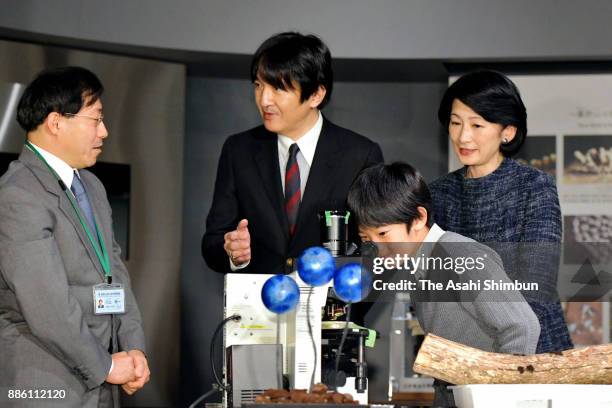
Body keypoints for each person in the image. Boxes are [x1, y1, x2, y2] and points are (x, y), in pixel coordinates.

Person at [0, 67, 150, 407]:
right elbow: (45, 304)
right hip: (44, 384)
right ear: (56, 122)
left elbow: (114, 270)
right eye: (95, 120)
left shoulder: (91, 186)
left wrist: (133, 346)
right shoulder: (18, 194)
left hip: (102, 381)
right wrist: (108, 365)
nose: (105, 131)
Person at [348, 162, 540, 406]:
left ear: (419, 218)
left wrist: (498, 396)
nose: (378, 249)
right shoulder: (419, 263)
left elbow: (522, 327)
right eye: (368, 239)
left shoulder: (460, 255)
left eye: (384, 234)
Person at [202, 32, 383, 275]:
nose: (264, 99)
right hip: (259, 307)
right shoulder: (239, 150)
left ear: (316, 95)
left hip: (329, 307)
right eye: (258, 85)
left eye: (278, 87)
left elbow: (376, 248)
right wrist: (233, 252)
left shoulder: (360, 155)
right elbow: (212, 242)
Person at [429, 70, 573, 353]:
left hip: (532, 350)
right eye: (455, 123)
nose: (463, 135)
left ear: (507, 131)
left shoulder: (535, 187)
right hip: (461, 352)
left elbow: (537, 288)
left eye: (477, 125)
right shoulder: (438, 194)